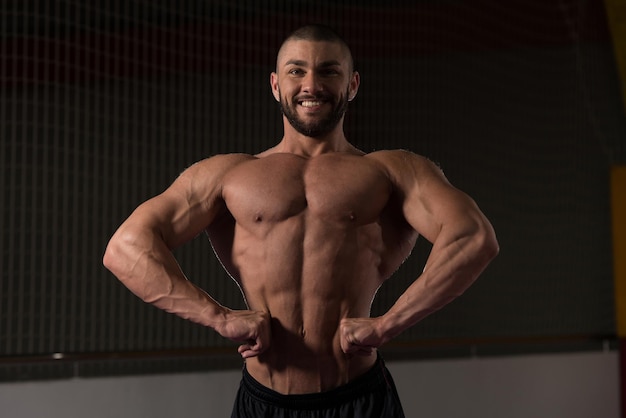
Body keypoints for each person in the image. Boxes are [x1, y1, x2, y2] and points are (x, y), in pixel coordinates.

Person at [103, 24, 499, 417]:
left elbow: (473, 237)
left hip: (359, 399)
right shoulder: (228, 174)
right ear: (275, 85)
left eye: (329, 70)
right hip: (264, 401)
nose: (311, 84)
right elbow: (126, 248)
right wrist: (218, 318)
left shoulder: (392, 171)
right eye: (297, 71)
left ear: (353, 84)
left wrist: (389, 324)